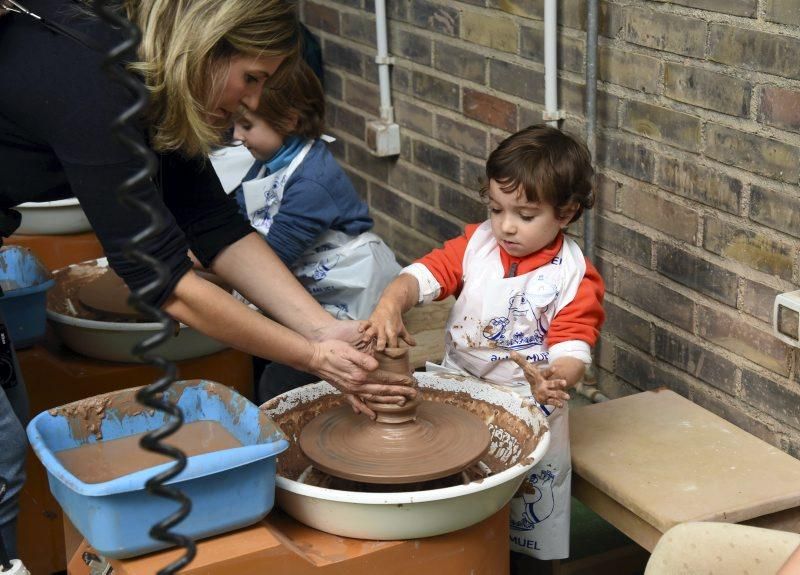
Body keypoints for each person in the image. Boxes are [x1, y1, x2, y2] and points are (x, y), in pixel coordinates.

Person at [0, 0, 414, 558]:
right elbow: (162, 276)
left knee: (9, 427)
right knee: (2, 451)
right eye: (250, 78)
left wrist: (322, 330)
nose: (252, 101)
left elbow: (213, 225)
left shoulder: (158, 86)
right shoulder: (97, 80)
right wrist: (313, 358)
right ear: (203, 45)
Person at [369, 124, 605, 561]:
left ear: (567, 213)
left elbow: (572, 344)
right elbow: (423, 275)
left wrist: (556, 378)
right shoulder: (476, 245)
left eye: (525, 216)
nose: (506, 226)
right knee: (457, 491)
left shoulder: (573, 276)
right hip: (463, 385)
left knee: (527, 514)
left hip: (528, 401)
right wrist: (389, 302)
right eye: (496, 209)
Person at [224, 61, 400, 403]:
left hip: (348, 289)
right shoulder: (269, 162)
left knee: (286, 377)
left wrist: (206, 265)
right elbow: (236, 216)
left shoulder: (312, 181)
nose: (236, 136)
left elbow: (270, 261)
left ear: (288, 122)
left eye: (246, 125)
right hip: (302, 278)